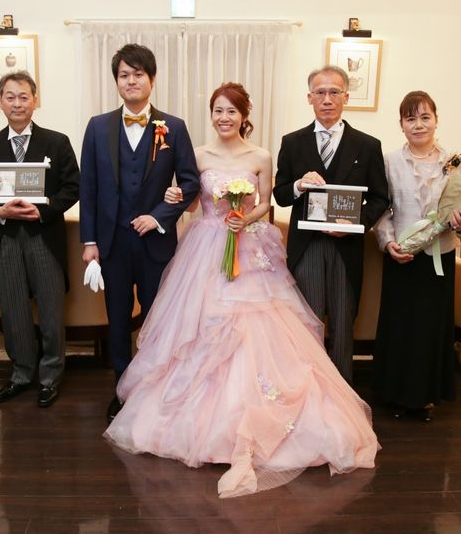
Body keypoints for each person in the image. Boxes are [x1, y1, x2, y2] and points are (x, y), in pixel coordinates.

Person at [104, 83, 379, 498]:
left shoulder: (261, 155)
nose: (224, 118)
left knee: (261, 331)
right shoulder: (198, 154)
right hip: (205, 248)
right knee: (201, 330)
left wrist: (246, 218)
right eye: (218, 110)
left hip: (249, 247)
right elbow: (192, 202)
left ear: (244, 116)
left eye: (232, 111)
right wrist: (176, 195)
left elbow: (267, 203)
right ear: (211, 115)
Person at [80, 43, 200, 422]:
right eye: (124, 75)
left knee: (155, 318)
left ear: (152, 79)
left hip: (157, 242)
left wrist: (160, 216)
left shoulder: (173, 127)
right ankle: (121, 388)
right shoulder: (97, 127)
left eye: (138, 74)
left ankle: (153, 388)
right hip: (112, 243)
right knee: (117, 319)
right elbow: (88, 188)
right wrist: (89, 241)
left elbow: (191, 184)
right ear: (116, 81)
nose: (131, 81)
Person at [273, 66, 389, 384]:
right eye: (320, 92)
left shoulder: (368, 145)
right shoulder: (292, 142)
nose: (327, 99)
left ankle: (342, 395)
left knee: (342, 322)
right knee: (307, 322)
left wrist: (355, 225)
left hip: (346, 248)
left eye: (334, 92)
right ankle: (308, 391)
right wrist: (298, 185)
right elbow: (280, 194)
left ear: (346, 97)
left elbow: (380, 198)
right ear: (309, 97)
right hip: (306, 247)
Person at [0, 71, 79, 408]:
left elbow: (72, 187)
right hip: (6, 238)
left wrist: (43, 211)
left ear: (35, 99)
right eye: (10, 97)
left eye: (23, 96)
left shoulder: (57, 142)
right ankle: (20, 374)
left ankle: (50, 377)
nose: (17, 103)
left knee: (50, 312)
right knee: (14, 311)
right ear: (0, 101)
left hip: (44, 237)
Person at [373, 91, 461, 422]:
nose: (418, 125)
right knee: (401, 326)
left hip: (439, 256)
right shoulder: (389, 161)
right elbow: (381, 210)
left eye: (424, 117)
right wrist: (388, 242)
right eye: (410, 118)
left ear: (436, 120)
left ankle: (426, 396)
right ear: (401, 124)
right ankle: (396, 394)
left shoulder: (457, 162)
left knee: (431, 327)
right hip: (401, 255)